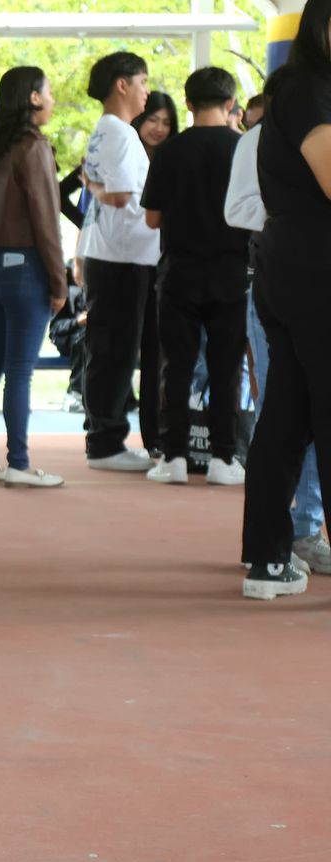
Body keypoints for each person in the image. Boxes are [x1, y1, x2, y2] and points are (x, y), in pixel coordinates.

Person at [240, 0, 331, 599]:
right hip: (313, 267)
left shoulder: (301, 89)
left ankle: (268, 559)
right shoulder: (308, 90)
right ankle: (269, 555)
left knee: (288, 413)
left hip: (292, 265)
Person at [141, 68, 248, 487]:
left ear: (187, 103)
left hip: (179, 274)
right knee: (227, 369)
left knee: (177, 368)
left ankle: (174, 457)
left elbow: (152, 220)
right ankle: (224, 457)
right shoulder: (243, 149)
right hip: (231, 273)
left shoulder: (170, 150)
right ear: (230, 103)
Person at [0, 67, 69, 488]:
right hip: (25, 267)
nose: (52, 100)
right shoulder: (34, 147)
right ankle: (19, 463)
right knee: (20, 370)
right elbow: (46, 220)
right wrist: (59, 281)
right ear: (33, 97)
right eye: (49, 92)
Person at [77, 52, 158, 473]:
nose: (147, 91)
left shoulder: (106, 130)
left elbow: (103, 188)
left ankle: (104, 437)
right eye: (142, 81)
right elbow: (122, 196)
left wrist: (92, 184)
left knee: (110, 349)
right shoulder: (121, 134)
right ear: (121, 84)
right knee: (115, 351)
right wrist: (95, 187)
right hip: (123, 258)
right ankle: (106, 443)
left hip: (113, 255)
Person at [129, 90, 180, 453]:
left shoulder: (175, 158)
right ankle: (103, 431)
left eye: (166, 122)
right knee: (117, 351)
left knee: (156, 355)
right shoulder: (125, 153)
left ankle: (155, 436)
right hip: (125, 262)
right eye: (152, 120)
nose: (159, 129)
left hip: (163, 264)